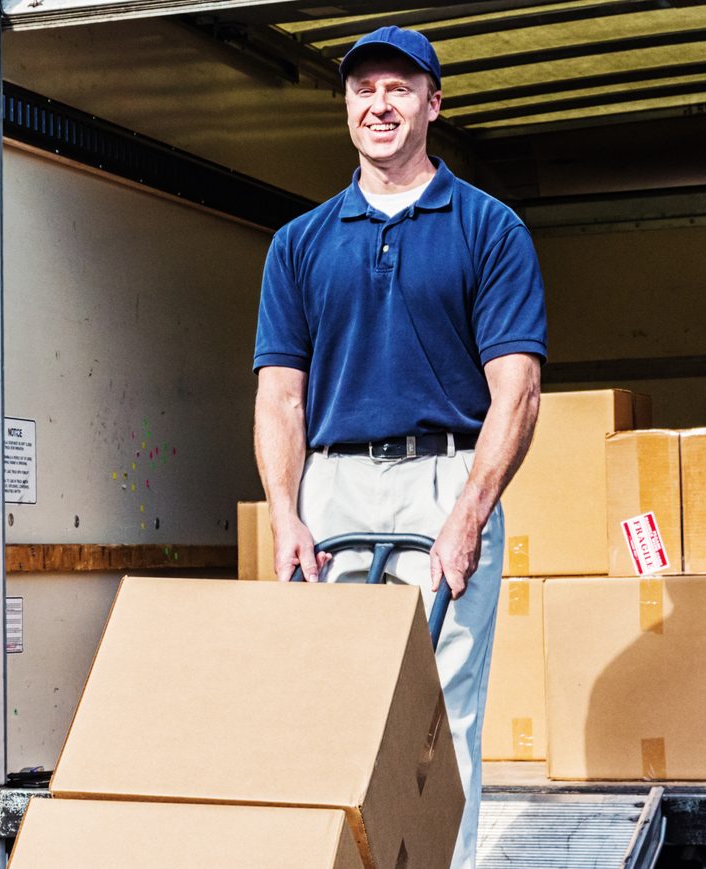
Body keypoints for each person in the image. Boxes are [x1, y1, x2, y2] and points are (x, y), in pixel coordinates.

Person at [251, 25, 546, 869]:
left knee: (439, 711)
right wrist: (284, 514)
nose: (378, 105)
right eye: (362, 90)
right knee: (330, 704)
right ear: (346, 106)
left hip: (446, 482)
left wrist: (469, 514)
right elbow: (279, 395)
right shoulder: (299, 244)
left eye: (398, 89)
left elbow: (516, 391)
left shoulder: (488, 229)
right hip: (332, 488)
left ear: (432, 104)